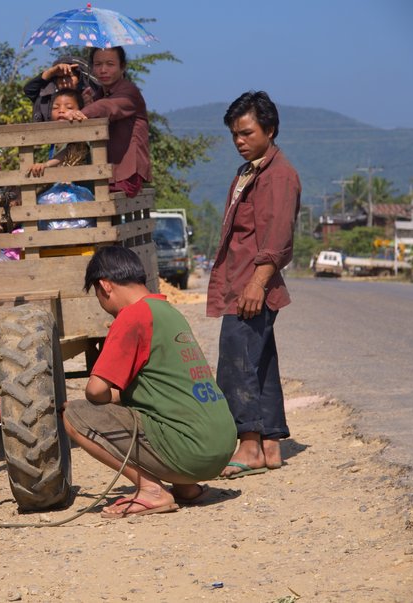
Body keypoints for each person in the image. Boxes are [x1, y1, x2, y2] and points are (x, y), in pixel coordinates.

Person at [63, 246, 238, 519]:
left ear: (105, 286)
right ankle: (187, 487)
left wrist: (110, 399)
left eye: (98, 297)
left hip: (194, 451)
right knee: (152, 407)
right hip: (222, 445)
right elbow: (165, 388)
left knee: (74, 415)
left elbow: (95, 390)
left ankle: (150, 490)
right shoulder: (167, 311)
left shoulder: (132, 315)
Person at [206, 91, 301, 479]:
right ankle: (270, 446)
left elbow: (277, 238)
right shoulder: (252, 170)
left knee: (236, 362)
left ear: (270, 129)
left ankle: (247, 446)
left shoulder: (278, 175)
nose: (239, 141)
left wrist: (257, 284)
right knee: (259, 363)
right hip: (241, 283)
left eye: (246, 133)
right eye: (234, 135)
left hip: (251, 286)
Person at [58, 46, 150, 198]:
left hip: (126, 175)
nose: (103, 70)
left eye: (110, 64)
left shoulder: (128, 91)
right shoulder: (100, 94)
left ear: (122, 67)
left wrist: (81, 112)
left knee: (77, 197)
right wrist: (88, 103)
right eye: (98, 64)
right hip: (108, 173)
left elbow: (109, 107)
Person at [27, 89, 90, 177]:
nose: (61, 110)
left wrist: (46, 164)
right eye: (55, 108)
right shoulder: (55, 139)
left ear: (80, 111)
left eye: (69, 107)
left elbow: (68, 151)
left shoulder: (83, 132)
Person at [23, 55, 94, 123]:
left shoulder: (91, 95)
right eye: (60, 77)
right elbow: (29, 90)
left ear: (79, 78)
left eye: (69, 76)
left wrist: (88, 108)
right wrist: (51, 72)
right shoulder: (45, 97)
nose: (64, 81)